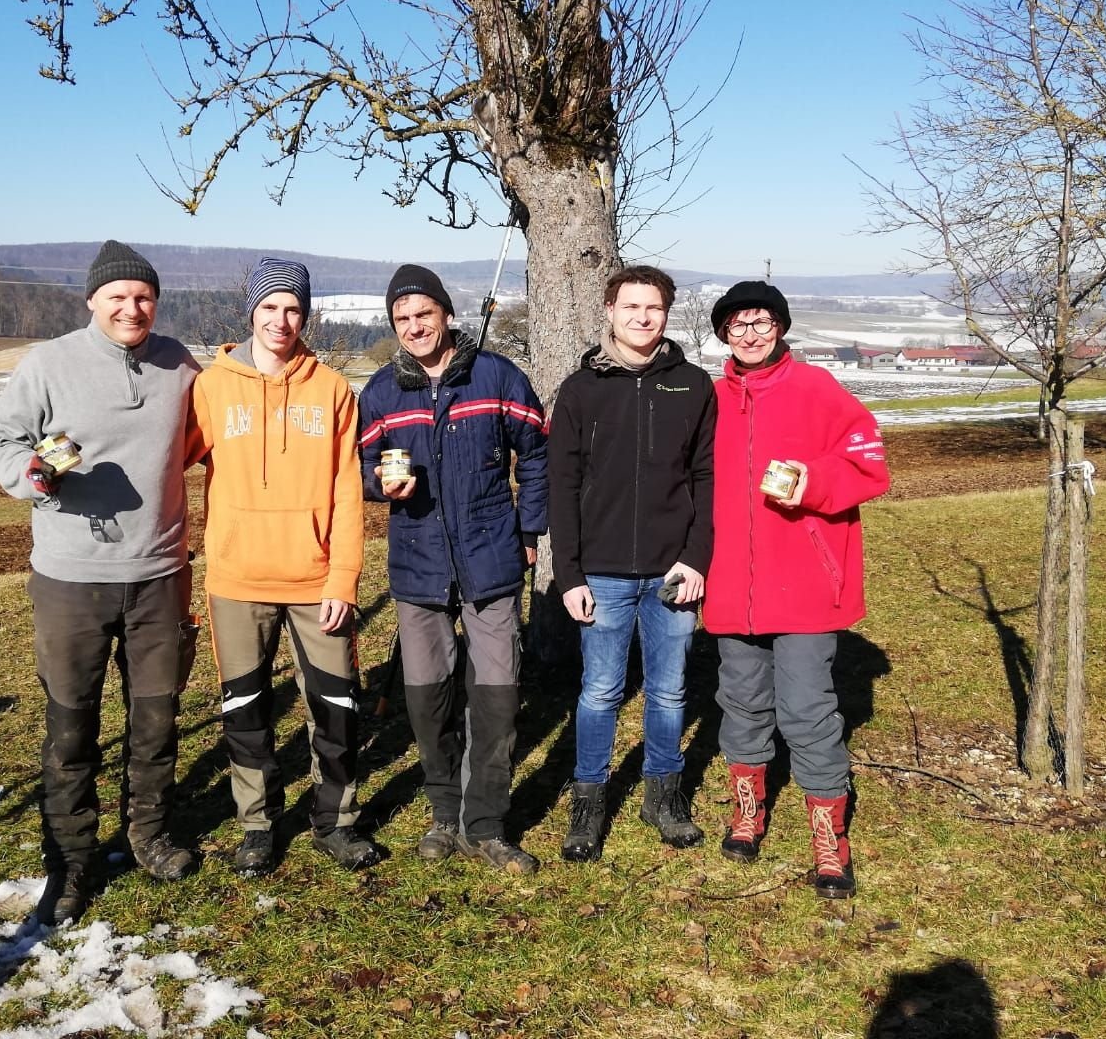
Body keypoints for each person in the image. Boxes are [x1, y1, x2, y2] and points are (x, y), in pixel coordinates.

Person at [0, 240, 207, 927]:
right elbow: (2, 442)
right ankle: (71, 860)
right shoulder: (48, 363)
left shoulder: (180, 366)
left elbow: (208, 440)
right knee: (71, 729)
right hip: (70, 580)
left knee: (155, 722)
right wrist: (33, 476)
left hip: (158, 574)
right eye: (117, 297)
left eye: (142, 297)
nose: (131, 308)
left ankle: (148, 835)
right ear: (92, 301)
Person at [357, 264, 548, 875]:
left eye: (424, 314)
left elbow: (537, 453)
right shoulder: (383, 392)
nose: (414, 326)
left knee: (496, 696)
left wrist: (529, 530)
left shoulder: (495, 376)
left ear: (446, 314)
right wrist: (380, 484)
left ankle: (485, 824)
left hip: (491, 560)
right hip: (417, 566)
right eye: (402, 319)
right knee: (427, 698)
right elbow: (362, 467)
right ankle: (444, 813)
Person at [192, 256, 378, 876]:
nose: (281, 319)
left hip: (315, 579)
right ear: (250, 311)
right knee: (245, 710)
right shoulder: (212, 387)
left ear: (307, 313)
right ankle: (257, 826)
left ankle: (337, 820)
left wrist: (342, 577)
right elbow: (163, 457)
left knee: (336, 706)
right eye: (269, 307)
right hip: (236, 580)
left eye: (293, 308)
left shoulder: (329, 388)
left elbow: (348, 489)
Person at [704, 280, 889, 898]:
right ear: (724, 333)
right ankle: (747, 810)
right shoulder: (711, 401)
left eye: (761, 323)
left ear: (779, 328)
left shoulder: (818, 389)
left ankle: (828, 840)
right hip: (733, 582)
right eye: (737, 325)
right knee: (742, 702)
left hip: (807, 582)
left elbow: (870, 465)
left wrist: (812, 484)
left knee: (807, 709)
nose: (750, 334)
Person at [548, 265, 716, 862]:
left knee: (669, 693)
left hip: (673, 572)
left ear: (667, 314)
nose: (642, 318)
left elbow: (707, 477)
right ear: (610, 311)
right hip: (603, 571)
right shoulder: (581, 390)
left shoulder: (693, 385)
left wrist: (695, 558)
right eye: (631, 307)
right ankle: (589, 803)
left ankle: (663, 798)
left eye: (654, 308)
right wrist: (568, 574)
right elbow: (561, 487)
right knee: (599, 693)